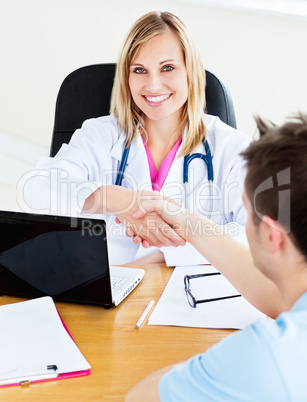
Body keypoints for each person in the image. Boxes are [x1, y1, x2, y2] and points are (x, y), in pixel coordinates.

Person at [22, 11, 251, 266]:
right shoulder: (100, 134)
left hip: (188, 295)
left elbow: (266, 235)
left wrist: (166, 256)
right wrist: (121, 201)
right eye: (140, 70)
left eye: (168, 68)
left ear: (190, 71)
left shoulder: (232, 148)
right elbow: (37, 189)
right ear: (126, 78)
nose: (153, 85)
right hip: (105, 293)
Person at [125, 113, 307, 401]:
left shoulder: (266, 357)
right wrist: (182, 217)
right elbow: (278, 298)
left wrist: (215, 364)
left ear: (272, 236)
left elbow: (141, 396)